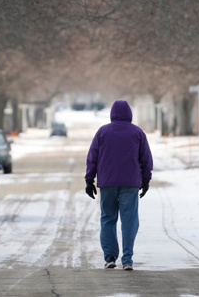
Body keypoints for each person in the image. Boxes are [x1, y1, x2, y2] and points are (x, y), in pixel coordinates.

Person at [85, 100, 153, 271]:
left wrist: (89, 179)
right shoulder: (137, 132)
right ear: (130, 113)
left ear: (112, 114)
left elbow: (92, 156)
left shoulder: (102, 132)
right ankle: (127, 259)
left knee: (108, 218)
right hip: (130, 183)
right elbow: (146, 159)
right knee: (129, 220)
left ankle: (110, 257)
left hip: (107, 182)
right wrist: (146, 180)